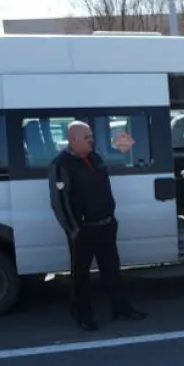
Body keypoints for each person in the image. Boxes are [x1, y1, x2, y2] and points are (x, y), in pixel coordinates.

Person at [48, 121, 146, 331]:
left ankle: (121, 308)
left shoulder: (95, 157)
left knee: (112, 270)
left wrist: (112, 217)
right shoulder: (61, 165)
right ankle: (82, 314)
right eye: (87, 137)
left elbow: (105, 190)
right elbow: (59, 203)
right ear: (73, 140)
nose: (91, 140)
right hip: (83, 230)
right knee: (81, 276)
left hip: (105, 225)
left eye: (91, 136)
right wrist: (73, 230)